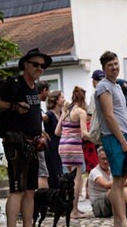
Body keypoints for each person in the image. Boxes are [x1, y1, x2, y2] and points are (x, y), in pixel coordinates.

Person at [0, 48, 54, 227]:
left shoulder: (33, 87)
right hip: (17, 142)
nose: (39, 68)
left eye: (42, 65)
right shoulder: (13, 84)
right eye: (35, 64)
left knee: (30, 189)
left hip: (32, 143)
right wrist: (13, 107)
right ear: (26, 64)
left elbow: (32, 115)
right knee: (17, 189)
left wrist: (40, 132)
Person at [93, 51, 127, 227]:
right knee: (118, 181)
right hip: (113, 137)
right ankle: (124, 224)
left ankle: (117, 223)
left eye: (115, 63)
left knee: (120, 181)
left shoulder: (117, 86)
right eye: (110, 65)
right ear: (104, 69)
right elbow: (109, 116)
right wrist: (122, 141)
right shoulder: (104, 87)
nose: (114, 67)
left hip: (124, 134)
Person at [56, 86, 90, 219]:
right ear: (83, 98)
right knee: (77, 179)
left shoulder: (65, 111)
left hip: (62, 146)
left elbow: (57, 132)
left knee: (68, 179)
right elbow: (83, 133)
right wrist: (95, 136)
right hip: (74, 147)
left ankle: (70, 208)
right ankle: (74, 210)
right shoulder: (81, 112)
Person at [44, 90, 64, 189]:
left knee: (61, 170)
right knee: (54, 171)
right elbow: (40, 118)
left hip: (61, 145)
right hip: (52, 146)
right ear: (56, 100)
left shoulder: (62, 113)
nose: (63, 99)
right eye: (61, 97)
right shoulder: (49, 115)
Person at [37, 81, 50, 190]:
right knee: (42, 173)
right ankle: (43, 199)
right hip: (37, 141)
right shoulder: (35, 103)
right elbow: (37, 118)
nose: (48, 94)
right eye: (48, 91)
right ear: (44, 91)